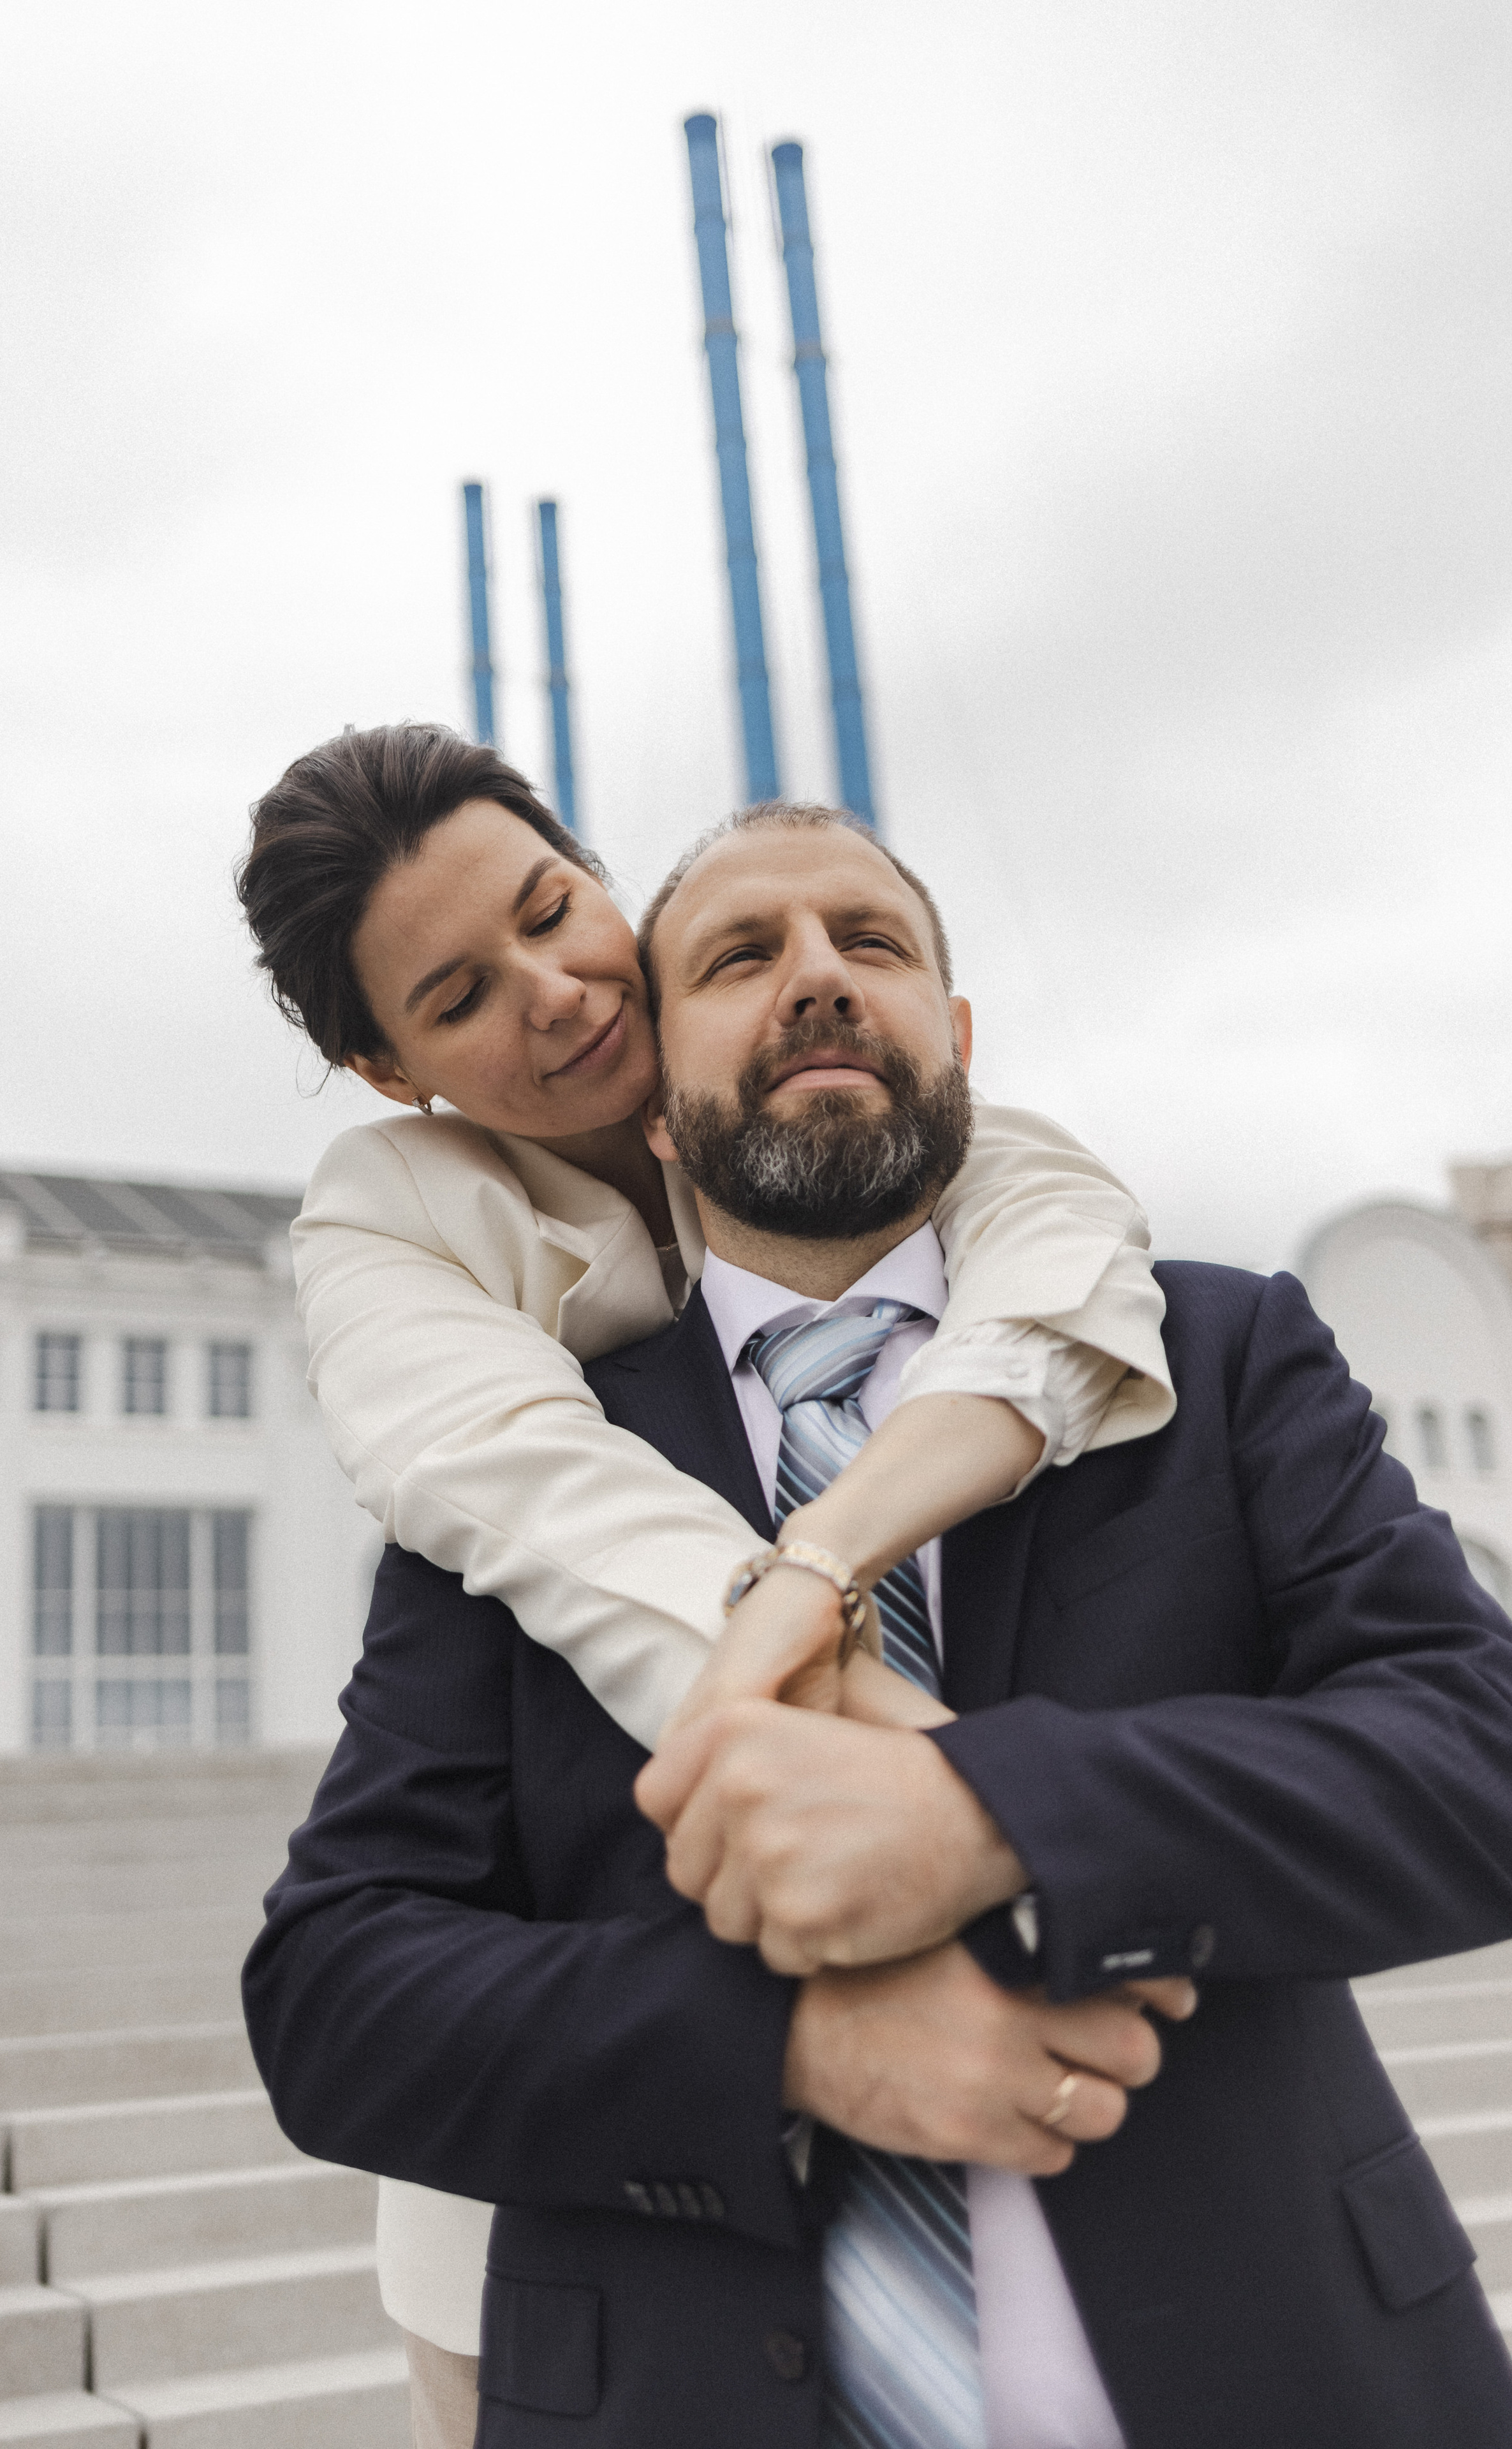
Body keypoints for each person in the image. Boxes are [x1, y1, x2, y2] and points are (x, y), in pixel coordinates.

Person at [244, 802, 1512, 2447]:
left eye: (874, 943)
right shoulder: (506, 1455)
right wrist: (792, 2049)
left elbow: (1480, 1752)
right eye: (743, 957)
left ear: (961, 1041)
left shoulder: (1220, 1352)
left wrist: (990, 1814)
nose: (819, 981)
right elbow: (337, 1992)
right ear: (664, 1111)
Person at [237, 724, 1175, 2432]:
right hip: (575, 2202)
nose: (559, 994)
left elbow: (1051, 1214)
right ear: (392, 1069)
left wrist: (849, 1545)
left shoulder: (788, 1028)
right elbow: (540, 1499)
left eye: (553, 907)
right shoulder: (388, 1216)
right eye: (460, 996)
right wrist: (925, 1770)